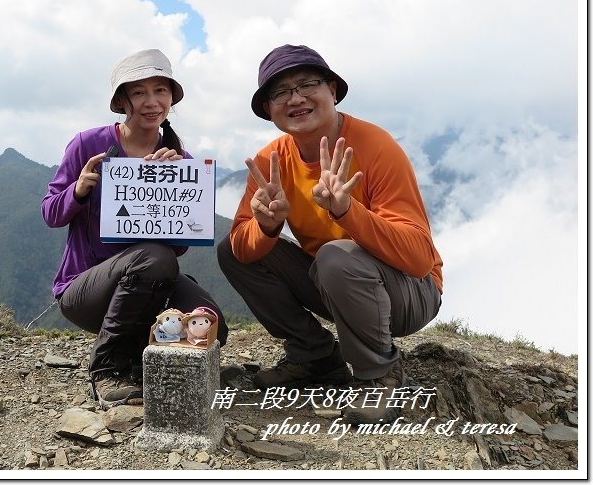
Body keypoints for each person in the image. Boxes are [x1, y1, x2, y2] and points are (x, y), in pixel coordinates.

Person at [217, 44, 442, 425]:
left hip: (410, 292)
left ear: (333, 91)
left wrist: (346, 210)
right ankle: (315, 356)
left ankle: (378, 375)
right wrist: (268, 226)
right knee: (232, 249)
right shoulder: (272, 162)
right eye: (281, 92)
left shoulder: (376, 147)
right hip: (337, 282)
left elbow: (419, 259)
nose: (297, 98)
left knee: (335, 255)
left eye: (308, 84)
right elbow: (243, 248)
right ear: (269, 110)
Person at [42, 48, 228, 409]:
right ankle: (108, 368)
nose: (151, 101)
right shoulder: (89, 145)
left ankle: (147, 362)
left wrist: (172, 187)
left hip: (147, 282)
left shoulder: (180, 161)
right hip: (85, 290)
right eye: (139, 92)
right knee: (154, 258)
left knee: (210, 324)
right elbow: (51, 213)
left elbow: (178, 250)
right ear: (122, 100)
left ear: (172, 98)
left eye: (160, 90)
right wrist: (78, 190)